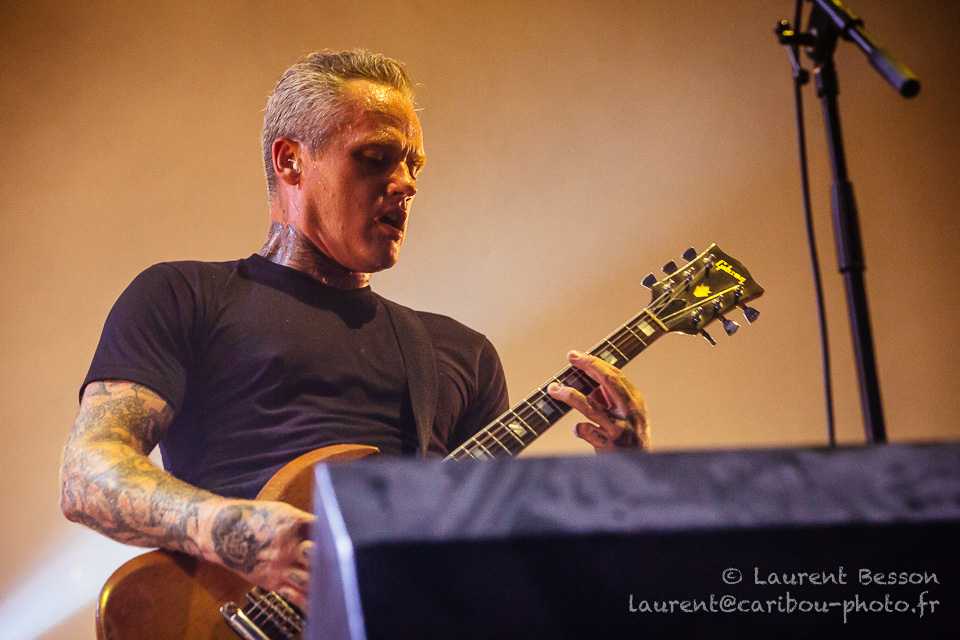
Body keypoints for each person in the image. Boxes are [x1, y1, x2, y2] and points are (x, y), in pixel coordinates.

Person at [59, 50, 651, 611]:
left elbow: (501, 568)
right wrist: (232, 530)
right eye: (375, 157)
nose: (407, 183)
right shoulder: (184, 296)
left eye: (414, 164)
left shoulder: (460, 354)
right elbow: (87, 475)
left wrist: (628, 481)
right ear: (290, 160)